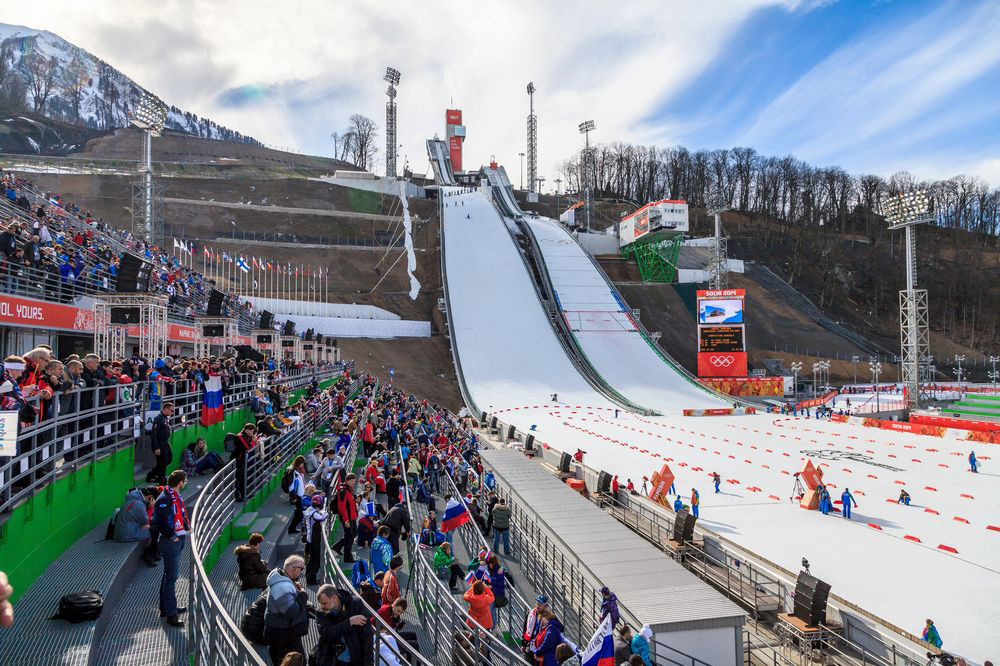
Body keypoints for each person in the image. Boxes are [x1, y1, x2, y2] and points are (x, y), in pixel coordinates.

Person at [153, 470, 189, 627]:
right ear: (180, 482)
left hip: (177, 539)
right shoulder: (165, 498)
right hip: (170, 542)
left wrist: (185, 529)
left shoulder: (174, 495)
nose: (185, 483)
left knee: (168, 576)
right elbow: (160, 522)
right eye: (185, 481)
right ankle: (171, 615)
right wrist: (172, 536)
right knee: (171, 578)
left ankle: (166, 608)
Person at [264, 555, 310, 665]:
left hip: (282, 631)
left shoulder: (282, 579)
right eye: (301, 569)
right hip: (283, 634)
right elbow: (291, 611)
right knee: (295, 660)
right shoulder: (282, 587)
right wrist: (303, 595)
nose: (301, 572)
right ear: (295, 569)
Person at [312, 584, 373, 666]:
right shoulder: (320, 612)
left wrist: (368, 662)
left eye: (324, 603)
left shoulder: (355, 604)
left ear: (334, 597)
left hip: (356, 657)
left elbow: (367, 635)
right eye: (320, 603)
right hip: (334, 659)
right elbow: (327, 633)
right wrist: (350, 622)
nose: (322, 606)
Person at [113, 486, 160, 566]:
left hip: (125, 530)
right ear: (150, 497)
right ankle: (149, 555)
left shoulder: (133, 498)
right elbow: (145, 521)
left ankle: (154, 552)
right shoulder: (139, 504)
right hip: (127, 534)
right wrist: (151, 507)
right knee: (156, 530)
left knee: (154, 525)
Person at [303, 495, 329, 586]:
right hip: (314, 540)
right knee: (316, 560)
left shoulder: (310, 509)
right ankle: (311, 578)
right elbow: (321, 517)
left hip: (310, 539)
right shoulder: (314, 513)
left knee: (311, 559)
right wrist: (325, 513)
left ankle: (309, 578)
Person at [146, 402, 175, 484]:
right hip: (160, 445)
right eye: (171, 410)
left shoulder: (165, 418)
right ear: (165, 409)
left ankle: (151, 475)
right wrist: (156, 448)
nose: (172, 412)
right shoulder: (158, 419)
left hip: (165, 443)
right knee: (163, 463)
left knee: (168, 459)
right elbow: (154, 434)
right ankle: (162, 481)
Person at [333, 473, 358, 563]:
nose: (352, 483)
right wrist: (346, 520)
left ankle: (337, 546)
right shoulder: (343, 491)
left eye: (354, 481)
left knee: (354, 533)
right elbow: (342, 507)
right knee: (349, 537)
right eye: (351, 481)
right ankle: (348, 557)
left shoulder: (349, 489)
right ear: (346, 481)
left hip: (352, 516)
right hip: (348, 518)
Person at [230, 423, 258, 502]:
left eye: (253, 432)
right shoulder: (240, 436)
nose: (252, 433)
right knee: (237, 479)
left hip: (242, 460)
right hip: (237, 460)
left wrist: (254, 441)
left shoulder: (247, 436)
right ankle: (236, 496)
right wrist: (253, 441)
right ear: (246, 430)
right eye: (251, 431)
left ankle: (243, 493)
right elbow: (248, 447)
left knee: (242, 478)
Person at [522, 594, 550, 660]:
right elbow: (526, 628)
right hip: (530, 645)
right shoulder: (531, 613)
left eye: (540, 605)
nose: (537, 606)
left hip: (540, 647)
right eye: (537, 604)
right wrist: (524, 644)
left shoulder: (548, 617)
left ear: (545, 606)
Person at [287, 456, 307, 534]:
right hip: (297, 496)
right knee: (299, 513)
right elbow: (291, 486)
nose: (303, 465)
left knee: (298, 513)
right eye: (302, 463)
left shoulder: (297, 470)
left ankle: (292, 528)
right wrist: (294, 496)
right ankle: (292, 529)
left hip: (299, 495)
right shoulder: (293, 472)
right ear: (299, 463)